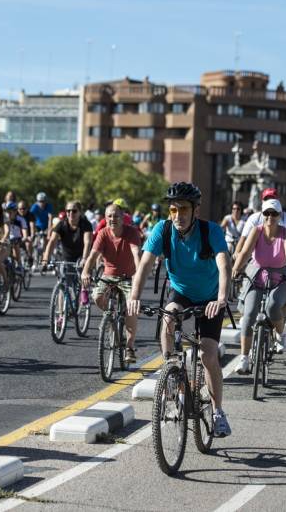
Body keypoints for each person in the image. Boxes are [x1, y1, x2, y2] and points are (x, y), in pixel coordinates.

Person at [127, 182, 233, 437]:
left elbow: (224, 264)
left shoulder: (211, 231)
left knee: (208, 355)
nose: (178, 215)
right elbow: (143, 265)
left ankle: (218, 412)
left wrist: (221, 298)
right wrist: (134, 297)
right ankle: (172, 373)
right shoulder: (162, 230)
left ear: (195, 210)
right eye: (173, 210)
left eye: (183, 209)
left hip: (209, 298)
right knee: (168, 318)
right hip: (182, 291)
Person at [232, 199, 286, 373]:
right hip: (257, 276)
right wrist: (235, 269)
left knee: (273, 306)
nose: (270, 217)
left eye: (274, 213)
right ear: (262, 215)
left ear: (279, 216)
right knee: (248, 316)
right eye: (267, 213)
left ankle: (280, 334)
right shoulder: (257, 231)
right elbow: (246, 252)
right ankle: (244, 359)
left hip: (280, 277)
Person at [81, 203, 141, 363]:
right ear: (105, 218)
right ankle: (112, 320)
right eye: (109, 216)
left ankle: (129, 347)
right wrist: (85, 271)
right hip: (108, 276)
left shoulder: (131, 233)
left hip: (128, 276)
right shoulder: (102, 233)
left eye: (116, 216)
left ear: (123, 218)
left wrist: (138, 277)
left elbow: (136, 254)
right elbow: (93, 255)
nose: (112, 219)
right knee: (97, 296)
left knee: (132, 307)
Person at [41, 201, 93, 293]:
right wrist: (45, 259)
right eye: (68, 211)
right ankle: (62, 307)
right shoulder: (61, 225)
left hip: (82, 256)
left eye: (74, 211)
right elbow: (52, 241)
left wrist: (84, 259)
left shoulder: (86, 224)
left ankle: (84, 294)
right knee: (63, 285)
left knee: (82, 281)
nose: (70, 213)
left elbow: (87, 242)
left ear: (80, 212)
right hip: (67, 257)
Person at [234, 188, 286, 258]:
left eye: (272, 199)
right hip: (257, 261)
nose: (269, 202)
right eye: (266, 199)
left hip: (282, 261)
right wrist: (237, 253)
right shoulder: (254, 218)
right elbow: (244, 238)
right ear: (262, 201)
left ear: (278, 202)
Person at [5, 201, 29, 268]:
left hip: (17, 239)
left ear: (15, 211)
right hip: (6, 240)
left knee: (16, 245)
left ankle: (19, 264)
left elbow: (25, 232)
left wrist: (25, 237)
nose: (8, 213)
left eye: (10, 211)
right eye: (7, 211)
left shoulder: (20, 220)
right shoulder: (4, 220)